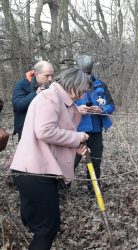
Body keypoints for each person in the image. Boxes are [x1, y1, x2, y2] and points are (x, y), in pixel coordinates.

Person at [10, 68, 90, 249]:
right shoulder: (51, 97)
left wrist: (74, 146)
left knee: (44, 228)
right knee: (47, 229)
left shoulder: (57, 98)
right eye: (82, 89)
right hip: (34, 173)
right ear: (73, 84)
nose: (83, 94)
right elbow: (45, 131)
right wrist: (77, 138)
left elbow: (49, 138)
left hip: (33, 171)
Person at [73, 54, 115, 192]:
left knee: (95, 161)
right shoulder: (69, 85)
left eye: (88, 73)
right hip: (76, 131)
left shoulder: (100, 85)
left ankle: (94, 190)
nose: (86, 76)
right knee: (71, 162)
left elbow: (111, 106)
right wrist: (77, 109)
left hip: (95, 130)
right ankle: (62, 189)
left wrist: (101, 110)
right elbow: (61, 107)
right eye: (84, 73)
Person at [12, 61, 54, 140]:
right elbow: (17, 106)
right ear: (36, 73)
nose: (50, 79)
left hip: (46, 129)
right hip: (26, 129)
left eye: (52, 75)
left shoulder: (53, 86)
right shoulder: (22, 84)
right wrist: (36, 94)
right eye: (47, 76)